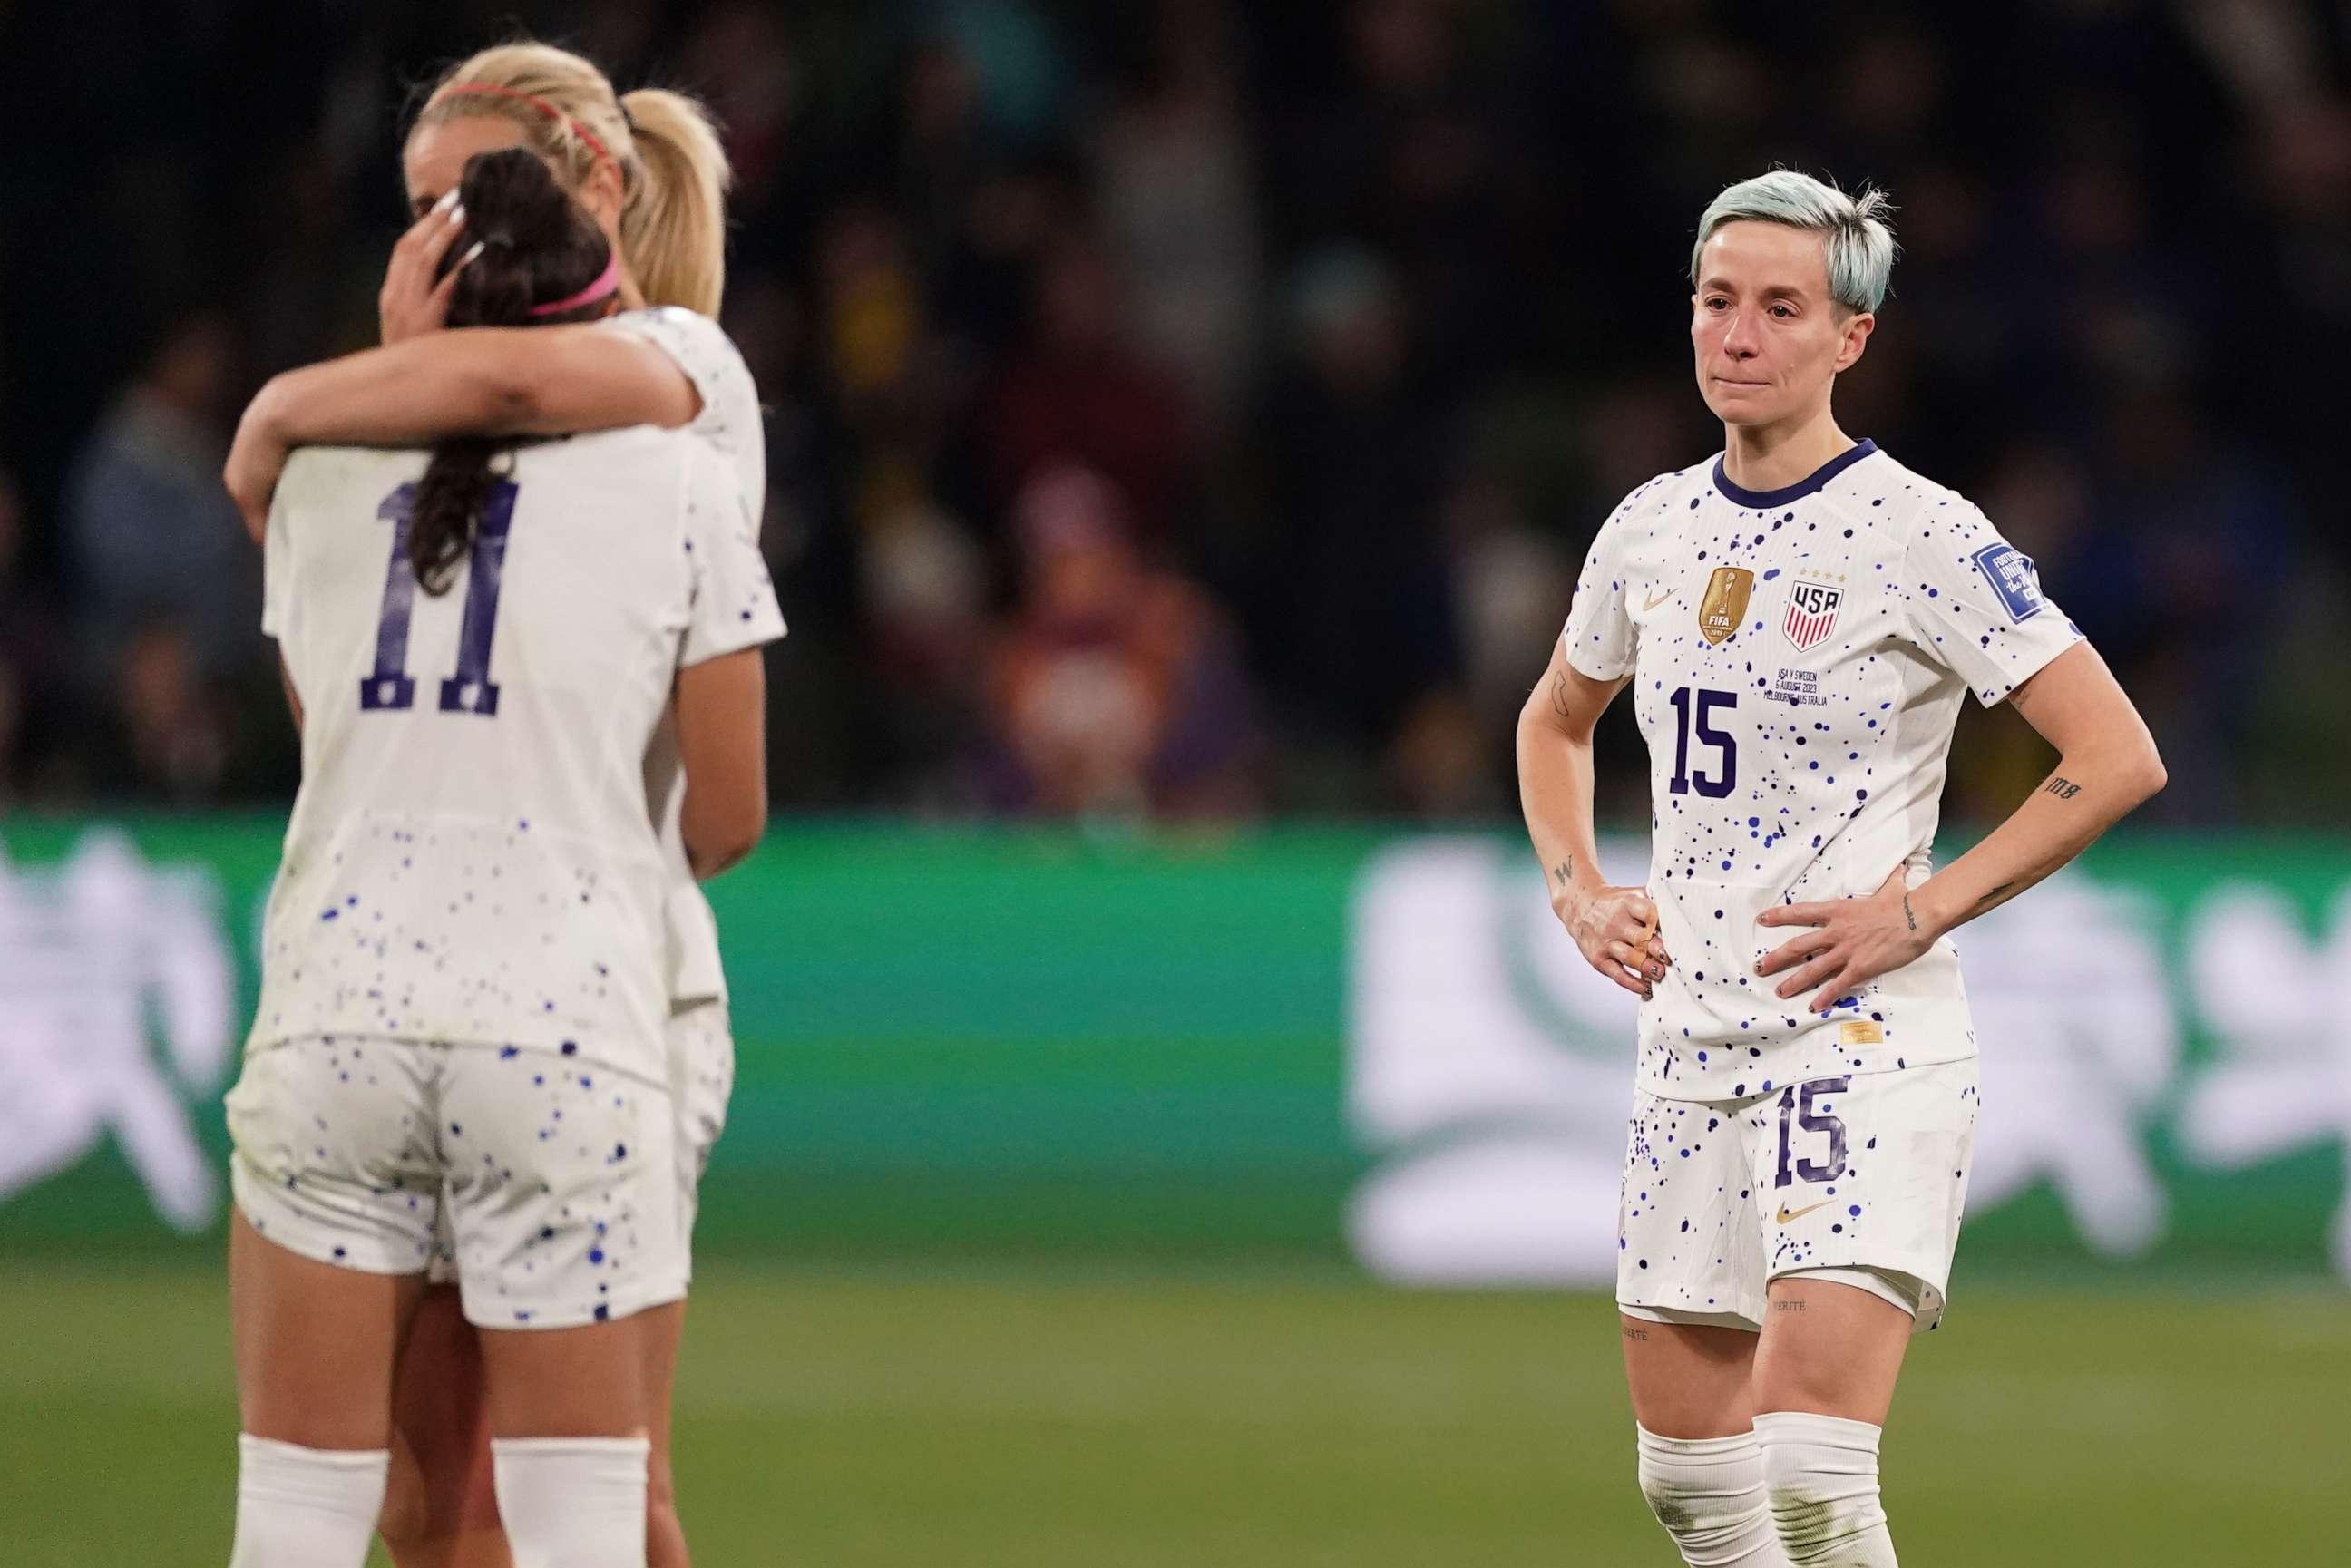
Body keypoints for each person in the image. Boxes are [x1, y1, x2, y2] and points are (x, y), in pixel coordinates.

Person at [1515, 170, 2165, 1568]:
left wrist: (1919, 909)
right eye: (1716, 302)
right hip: (1687, 1042)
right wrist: (1577, 887)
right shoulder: (1648, 527)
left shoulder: (1920, 532)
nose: (1736, 335)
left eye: (1779, 308)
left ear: (1849, 339)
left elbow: (2113, 754)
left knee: (1810, 1469)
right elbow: (1555, 717)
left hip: (1857, 1041)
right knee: (1693, 1490)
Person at [219, 41, 758, 1568]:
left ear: (594, 177)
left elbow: (523, 375)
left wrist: (283, 417)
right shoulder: (386, 453)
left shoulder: (687, 376)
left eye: (466, 200)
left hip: (606, 985)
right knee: (435, 1497)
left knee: (578, 1498)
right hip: (523, 1010)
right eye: (417, 205)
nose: (443, 233)